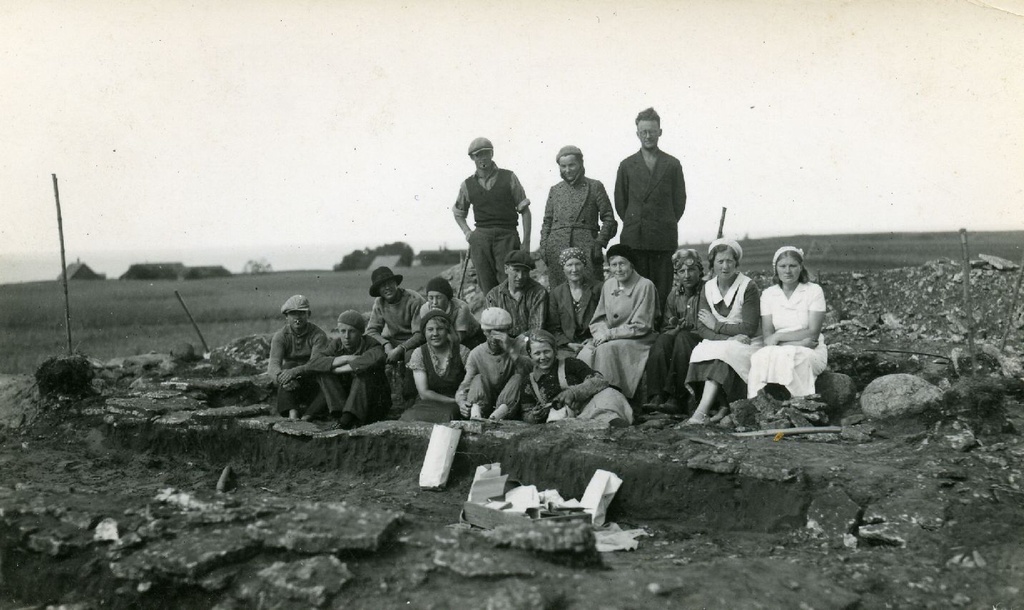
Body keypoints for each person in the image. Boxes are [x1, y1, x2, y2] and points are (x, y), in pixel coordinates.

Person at [614, 107, 687, 312]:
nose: (648, 136)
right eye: (643, 132)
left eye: (652, 131)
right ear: (637, 133)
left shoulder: (672, 164)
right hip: (635, 238)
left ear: (660, 132)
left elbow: (679, 202)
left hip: (662, 238)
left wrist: (663, 221)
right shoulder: (626, 165)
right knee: (636, 291)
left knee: (661, 290)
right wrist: (636, 221)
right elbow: (621, 203)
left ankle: (661, 329)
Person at [686, 239, 762, 425]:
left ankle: (701, 413)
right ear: (712, 264)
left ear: (737, 263)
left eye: (730, 261)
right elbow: (702, 327)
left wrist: (717, 326)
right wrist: (725, 336)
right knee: (702, 351)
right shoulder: (708, 287)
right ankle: (721, 406)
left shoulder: (748, 287)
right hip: (723, 339)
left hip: (748, 341)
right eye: (720, 261)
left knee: (723, 353)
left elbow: (749, 328)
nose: (725, 266)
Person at [577, 244, 659, 401]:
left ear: (631, 264)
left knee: (606, 350)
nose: (618, 269)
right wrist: (600, 334)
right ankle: (584, 398)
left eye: (622, 264)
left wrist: (610, 334)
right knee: (585, 353)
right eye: (613, 265)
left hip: (638, 339)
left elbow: (642, 325)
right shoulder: (609, 284)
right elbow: (600, 317)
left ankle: (612, 398)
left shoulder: (645, 285)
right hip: (611, 337)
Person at [453, 137, 532, 294]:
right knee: (486, 285)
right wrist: (468, 233)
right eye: (478, 155)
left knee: (510, 283)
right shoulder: (467, 185)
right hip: (481, 239)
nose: (482, 158)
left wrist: (526, 243)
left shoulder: (509, 177)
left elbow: (525, 210)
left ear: (492, 154)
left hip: (507, 236)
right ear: (472, 158)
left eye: (486, 153)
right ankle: (491, 317)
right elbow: (458, 213)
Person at [747, 247, 828, 399]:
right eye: (783, 266)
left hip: (811, 351)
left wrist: (779, 337)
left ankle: (800, 404)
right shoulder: (769, 294)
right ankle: (760, 403)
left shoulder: (813, 291)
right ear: (776, 269)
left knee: (798, 358)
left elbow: (813, 333)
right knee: (760, 356)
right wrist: (798, 342)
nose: (788, 271)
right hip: (788, 347)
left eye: (793, 266)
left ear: (801, 267)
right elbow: (768, 337)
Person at [518, 329, 633, 427]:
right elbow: (525, 413)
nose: (543, 357)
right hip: (562, 420)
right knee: (557, 415)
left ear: (555, 350)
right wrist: (534, 415)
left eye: (546, 351)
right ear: (530, 355)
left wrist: (574, 393)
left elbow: (599, 381)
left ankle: (616, 425)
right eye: (537, 353)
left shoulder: (570, 364)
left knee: (608, 394)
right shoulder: (528, 382)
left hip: (590, 409)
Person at [539, 145, 617, 287]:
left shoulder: (595, 186)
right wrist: (544, 247)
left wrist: (599, 243)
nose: (567, 170)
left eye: (571, 165)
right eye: (563, 166)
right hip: (557, 247)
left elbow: (609, 219)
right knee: (560, 294)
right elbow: (547, 222)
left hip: (587, 248)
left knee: (592, 290)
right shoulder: (555, 190)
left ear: (580, 164)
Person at [644, 249, 706, 413]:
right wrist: (676, 327)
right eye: (681, 271)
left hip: (703, 340)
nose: (687, 275)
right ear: (676, 274)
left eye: (691, 270)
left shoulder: (707, 291)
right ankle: (656, 396)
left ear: (700, 271)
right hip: (681, 338)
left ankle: (677, 397)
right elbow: (667, 327)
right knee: (662, 340)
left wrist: (689, 328)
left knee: (683, 338)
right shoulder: (674, 295)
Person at [314, 310, 392, 429]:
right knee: (324, 371)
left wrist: (337, 369)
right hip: (349, 403)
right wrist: (344, 358)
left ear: (361, 332)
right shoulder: (336, 345)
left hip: (374, 404)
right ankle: (341, 415)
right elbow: (315, 362)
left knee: (362, 372)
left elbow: (371, 360)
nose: (346, 337)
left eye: (352, 331)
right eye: (343, 331)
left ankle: (346, 419)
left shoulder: (373, 345)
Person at [267, 295, 341, 420]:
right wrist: (282, 378)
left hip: (313, 379)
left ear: (308, 314)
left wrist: (293, 372)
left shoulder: (318, 335)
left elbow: (315, 364)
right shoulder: (280, 336)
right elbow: (273, 364)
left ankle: (309, 415)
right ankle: (293, 414)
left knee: (327, 379)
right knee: (287, 366)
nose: (297, 318)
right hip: (292, 383)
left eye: (301, 313)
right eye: (293, 314)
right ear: (286, 316)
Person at [455, 307, 529, 420]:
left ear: (508, 331)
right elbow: (466, 384)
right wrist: (461, 402)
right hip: (486, 403)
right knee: (478, 378)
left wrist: (511, 350)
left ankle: (497, 416)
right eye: (490, 332)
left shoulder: (520, 345)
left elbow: (530, 372)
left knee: (518, 378)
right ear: (484, 331)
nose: (494, 337)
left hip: (511, 404)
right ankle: (476, 414)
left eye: (500, 332)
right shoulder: (476, 353)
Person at [365, 266, 427, 397]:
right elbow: (371, 331)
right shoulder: (379, 303)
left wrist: (400, 349)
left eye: (389, 283)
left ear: (396, 283)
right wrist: (385, 344)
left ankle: (409, 397)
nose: (387, 288)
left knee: (410, 356)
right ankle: (380, 398)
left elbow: (420, 334)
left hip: (414, 342)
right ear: (378, 290)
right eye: (382, 286)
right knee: (373, 353)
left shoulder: (414, 299)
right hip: (393, 341)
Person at [401, 309, 472, 424]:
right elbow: (424, 393)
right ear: (424, 332)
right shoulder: (419, 353)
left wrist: (460, 400)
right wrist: (455, 401)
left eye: (440, 329)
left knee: (447, 420)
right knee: (408, 418)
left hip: (456, 403)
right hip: (428, 402)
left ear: (448, 331)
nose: (435, 334)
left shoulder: (462, 351)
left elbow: (472, 380)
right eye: (430, 329)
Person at [545, 246, 602, 357]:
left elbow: (605, 319)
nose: (574, 269)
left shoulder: (598, 288)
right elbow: (553, 327)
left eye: (578, 264)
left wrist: (594, 338)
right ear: (563, 268)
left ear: (584, 266)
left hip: (594, 342)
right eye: (569, 265)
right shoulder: (556, 294)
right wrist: (568, 344)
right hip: (567, 346)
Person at [485, 250, 548, 339]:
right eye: (516, 270)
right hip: (502, 342)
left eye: (525, 271)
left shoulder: (538, 292)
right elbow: (492, 329)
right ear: (506, 269)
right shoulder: (493, 295)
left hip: (530, 343)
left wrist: (517, 344)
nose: (520, 276)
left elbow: (536, 329)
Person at [415, 276, 484, 349]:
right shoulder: (425, 309)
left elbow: (458, 339)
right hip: (442, 336)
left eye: (438, 297)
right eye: (431, 298)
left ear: (447, 297)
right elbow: (427, 334)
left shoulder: (460, 308)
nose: (434, 302)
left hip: (471, 338)